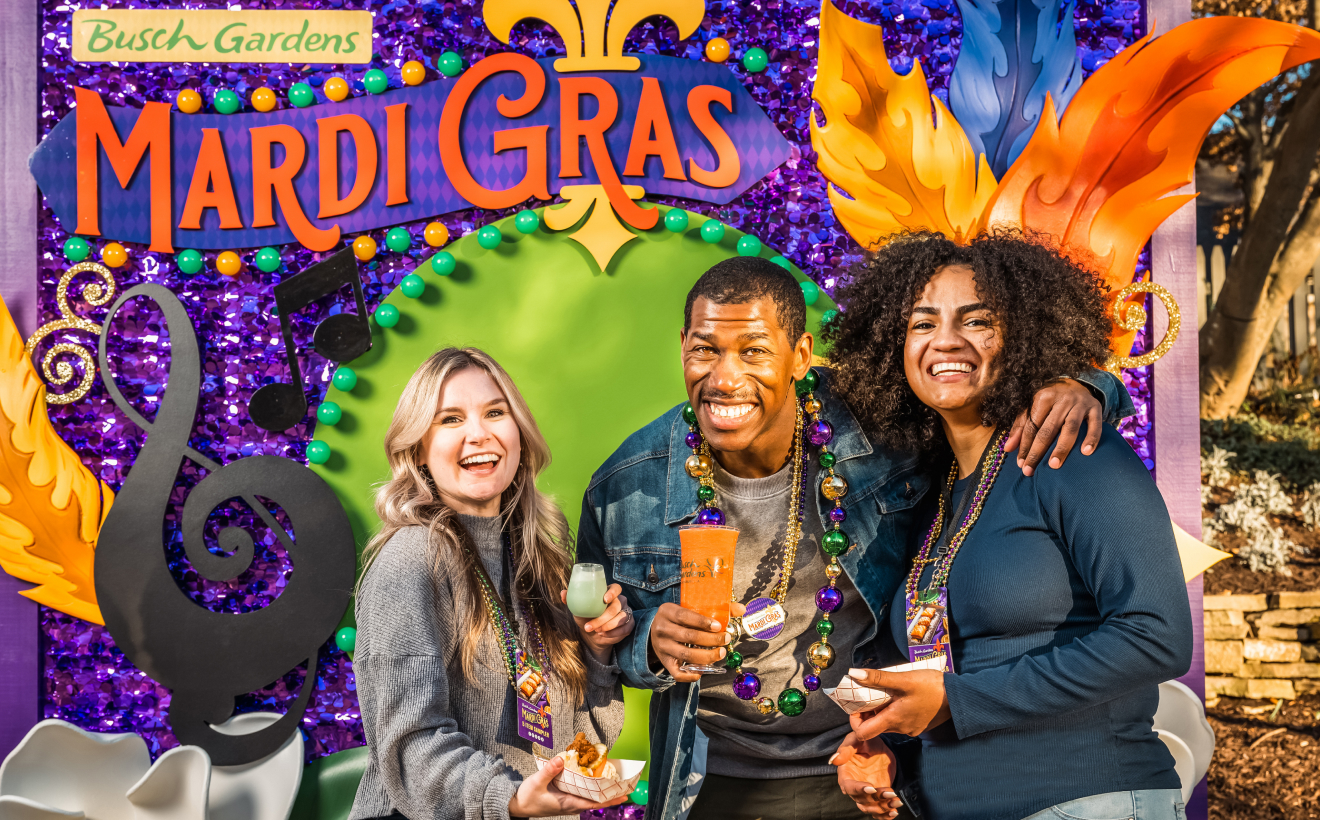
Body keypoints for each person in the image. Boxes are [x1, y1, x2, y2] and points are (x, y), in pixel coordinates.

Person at [574, 256, 1134, 820]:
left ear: (801, 355)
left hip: (869, 768)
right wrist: (647, 641)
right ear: (682, 347)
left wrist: (1085, 385)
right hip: (706, 781)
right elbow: (590, 650)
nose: (724, 378)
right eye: (704, 349)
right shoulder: (625, 486)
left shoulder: (879, 426)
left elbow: (972, 378)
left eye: (754, 351)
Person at [826, 231, 1193, 820]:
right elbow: (957, 668)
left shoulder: (1072, 454)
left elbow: (1157, 636)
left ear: (1024, 337)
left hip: (1089, 798)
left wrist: (956, 701)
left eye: (977, 321)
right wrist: (890, 750)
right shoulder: (930, 493)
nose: (945, 340)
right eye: (922, 324)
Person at [350, 347, 636, 820]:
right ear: (418, 448)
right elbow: (411, 748)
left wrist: (597, 651)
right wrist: (509, 797)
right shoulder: (409, 561)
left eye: (495, 412)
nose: (478, 434)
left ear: (520, 434)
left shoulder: (538, 562)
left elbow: (579, 745)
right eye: (450, 419)